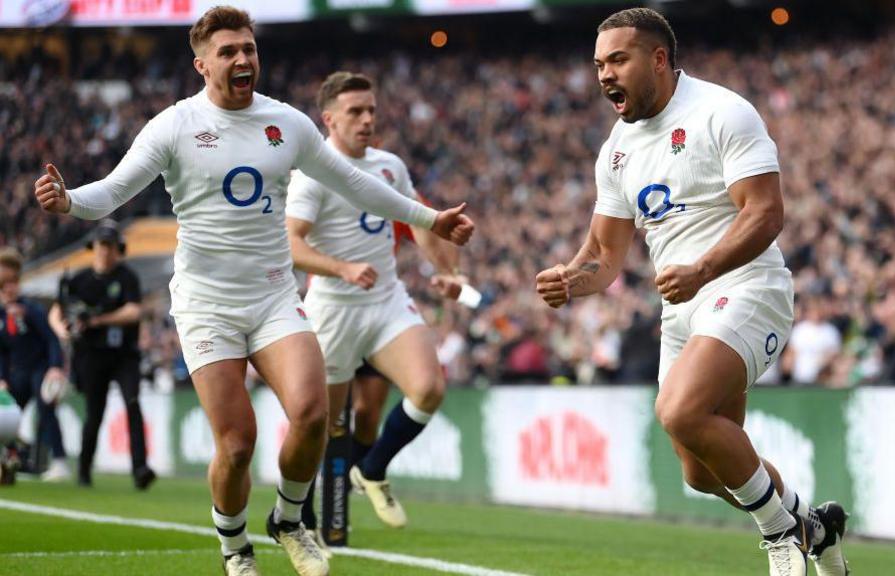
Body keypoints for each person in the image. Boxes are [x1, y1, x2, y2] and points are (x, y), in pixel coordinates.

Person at [32, 7, 474, 576]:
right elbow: (113, 191)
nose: (243, 59)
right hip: (206, 304)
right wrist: (68, 201)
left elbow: (357, 184)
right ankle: (235, 547)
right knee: (237, 444)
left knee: (313, 413)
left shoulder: (287, 124)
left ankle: (288, 520)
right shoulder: (175, 125)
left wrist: (429, 217)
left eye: (249, 48)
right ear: (201, 65)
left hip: (271, 295)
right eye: (228, 52)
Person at [535, 8, 848, 576]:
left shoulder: (721, 112)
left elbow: (767, 212)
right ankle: (813, 525)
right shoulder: (617, 149)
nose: (605, 74)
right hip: (683, 308)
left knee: (678, 410)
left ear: (658, 59)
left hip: (746, 284)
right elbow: (604, 258)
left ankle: (781, 535)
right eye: (599, 63)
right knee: (701, 472)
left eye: (618, 60)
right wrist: (569, 281)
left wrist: (702, 269)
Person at [285, 71, 466, 533]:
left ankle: (375, 468)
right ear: (328, 119)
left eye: (371, 111)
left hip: (386, 298)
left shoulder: (390, 165)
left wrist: (447, 271)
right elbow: (292, 244)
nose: (368, 119)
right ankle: (296, 514)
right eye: (356, 112)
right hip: (332, 308)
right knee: (317, 426)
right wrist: (341, 267)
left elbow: (419, 223)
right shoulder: (312, 174)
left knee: (428, 388)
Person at [48, 222, 153, 489]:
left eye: (110, 246)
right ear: (93, 247)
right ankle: (84, 469)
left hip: (124, 355)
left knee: (133, 404)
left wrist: (97, 320)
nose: (105, 251)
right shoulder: (79, 279)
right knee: (94, 413)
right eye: (101, 245)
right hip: (92, 355)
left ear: (118, 249)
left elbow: (133, 311)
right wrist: (62, 331)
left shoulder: (127, 277)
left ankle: (140, 468)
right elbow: (57, 311)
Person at [0, 248, 68, 481]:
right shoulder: (1, 315)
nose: (8, 288)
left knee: (45, 409)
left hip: (39, 369)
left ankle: (59, 461)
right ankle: (10, 459)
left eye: (11, 282)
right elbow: (3, 352)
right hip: (16, 373)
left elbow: (51, 339)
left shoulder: (31, 309)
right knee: (6, 414)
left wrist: (55, 367)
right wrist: (2, 379)